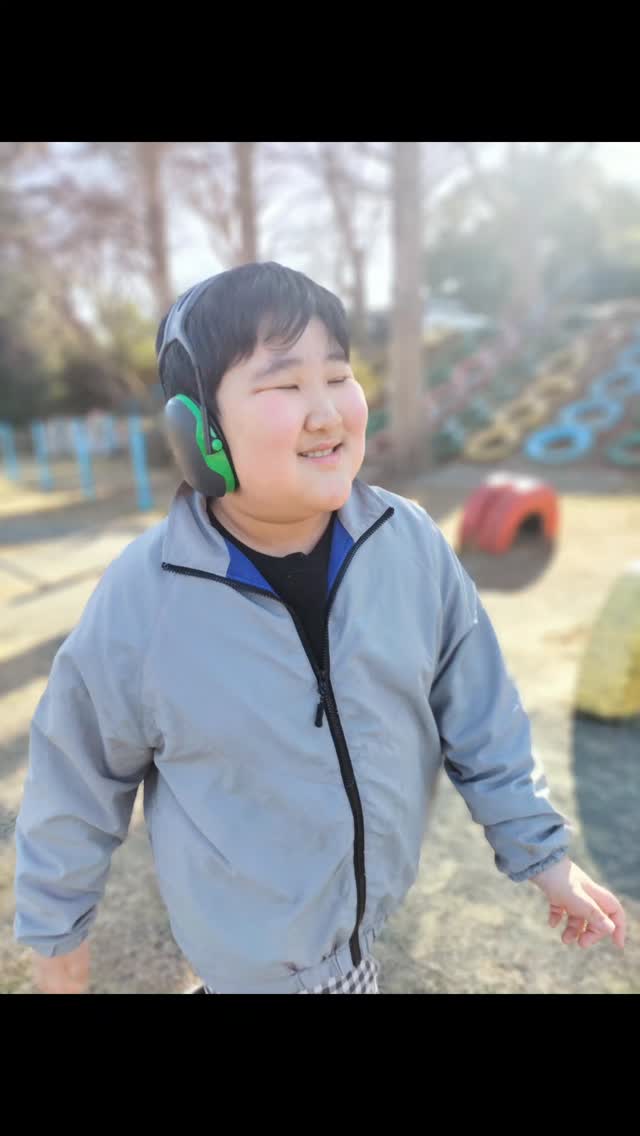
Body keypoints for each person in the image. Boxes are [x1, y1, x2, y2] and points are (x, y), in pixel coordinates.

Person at [14, 262, 626, 995]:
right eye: (284, 386)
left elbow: (480, 710)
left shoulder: (407, 542)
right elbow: (76, 776)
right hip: (256, 960)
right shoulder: (146, 599)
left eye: (338, 376)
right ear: (198, 430)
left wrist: (542, 853)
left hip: (362, 929)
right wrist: (56, 936)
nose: (328, 412)